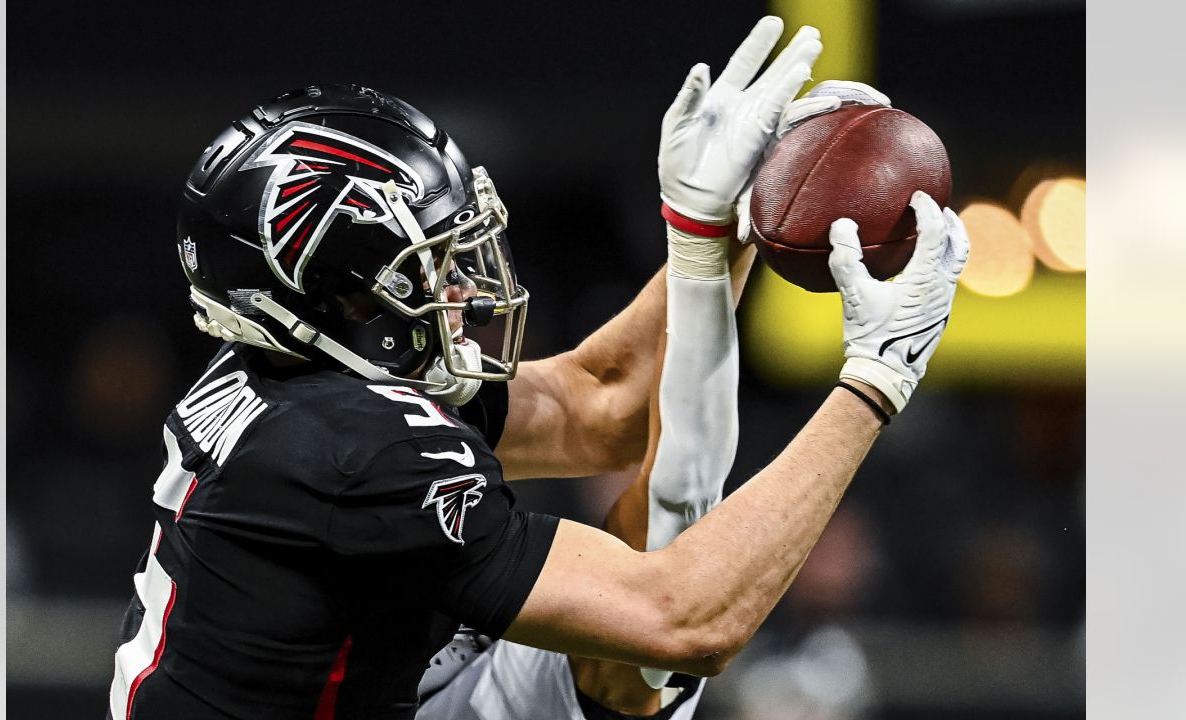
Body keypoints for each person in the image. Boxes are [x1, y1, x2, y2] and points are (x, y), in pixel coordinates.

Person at [107, 14, 968, 720]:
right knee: (639, 654)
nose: (461, 284)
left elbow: (603, 405)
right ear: (340, 287)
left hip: (383, 693)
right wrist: (875, 380)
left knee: (623, 655)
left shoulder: (304, 369)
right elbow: (686, 619)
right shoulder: (345, 450)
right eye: (429, 262)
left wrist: (712, 232)